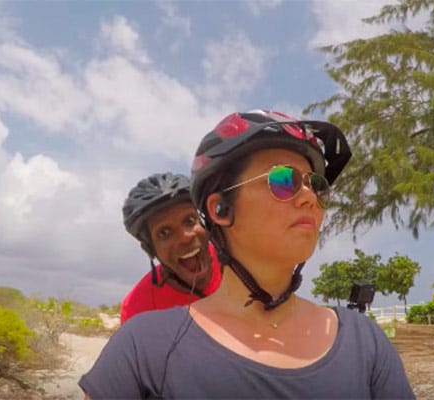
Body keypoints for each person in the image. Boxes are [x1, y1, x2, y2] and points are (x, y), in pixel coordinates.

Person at [81, 110, 414, 398]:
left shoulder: (364, 341)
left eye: (317, 185)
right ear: (220, 210)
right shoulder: (140, 341)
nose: (310, 197)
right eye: (283, 180)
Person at [119, 173, 222, 324]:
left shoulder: (241, 262)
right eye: (164, 233)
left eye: (190, 220)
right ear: (150, 249)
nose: (184, 237)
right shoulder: (139, 308)